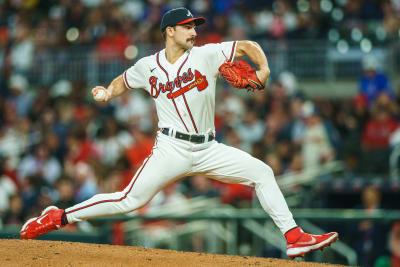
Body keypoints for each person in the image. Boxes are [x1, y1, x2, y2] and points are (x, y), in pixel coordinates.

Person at [20, 7, 338, 259]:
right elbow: (125, 80)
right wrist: (107, 92)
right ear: (169, 31)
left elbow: (248, 47)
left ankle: (294, 238)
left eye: (195, 25)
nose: (193, 31)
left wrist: (264, 69)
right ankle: (58, 216)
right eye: (187, 26)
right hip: (171, 148)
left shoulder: (206, 55)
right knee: (128, 201)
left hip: (208, 148)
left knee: (263, 172)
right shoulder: (149, 65)